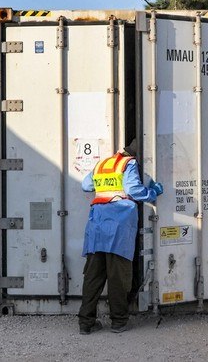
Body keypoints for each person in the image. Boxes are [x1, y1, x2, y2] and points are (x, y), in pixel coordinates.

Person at [78, 139, 163, 335]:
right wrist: (152, 192)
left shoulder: (103, 164)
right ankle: (118, 322)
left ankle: (86, 323)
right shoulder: (129, 163)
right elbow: (133, 190)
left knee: (93, 276)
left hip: (97, 225)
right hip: (118, 226)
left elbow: (85, 185)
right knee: (118, 276)